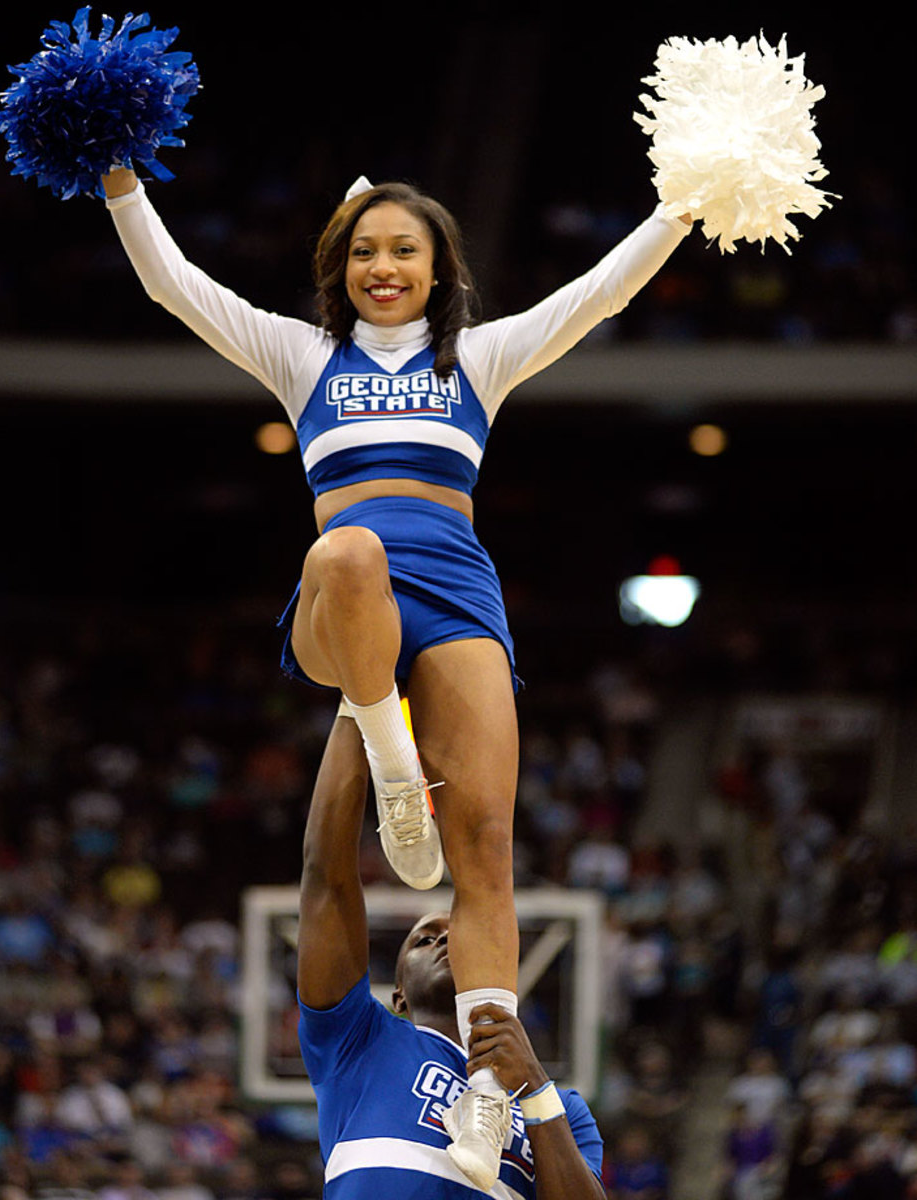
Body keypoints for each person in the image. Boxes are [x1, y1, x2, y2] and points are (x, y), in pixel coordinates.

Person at [101, 162, 691, 1187]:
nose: (384, 266)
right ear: (339, 267)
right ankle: (389, 756)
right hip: (347, 609)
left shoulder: (480, 358)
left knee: (487, 847)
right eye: (364, 250)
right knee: (348, 551)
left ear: (439, 267)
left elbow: (601, 293)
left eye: (404, 250)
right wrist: (120, 182)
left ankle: (484, 1096)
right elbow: (170, 283)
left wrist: (680, 208)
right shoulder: (301, 355)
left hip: (456, 590)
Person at [297, 708, 607, 1197]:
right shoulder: (358, 1040)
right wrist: (358, 704)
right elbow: (326, 879)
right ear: (398, 994)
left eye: (459, 932)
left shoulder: (563, 1109)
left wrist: (534, 1089)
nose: (445, 939)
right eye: (424, 939)